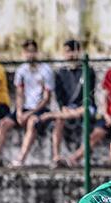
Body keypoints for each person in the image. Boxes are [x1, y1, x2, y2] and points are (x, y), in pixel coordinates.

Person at [0, 39, 54, 169]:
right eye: (27, 52)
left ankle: (20, 159)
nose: (30, 55)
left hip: (40, 109)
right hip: (24, 108)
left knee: (32, 123)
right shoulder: (21, 70)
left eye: (32, 52)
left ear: (37, 52)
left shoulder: (46, 70)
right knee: (4, 123)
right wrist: (19, 112)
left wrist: (30, 113)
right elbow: (19, 94)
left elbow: (46, 98)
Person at [41, 38, 96, 168]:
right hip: (68, 109)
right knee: (60, 120)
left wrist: (76, 109)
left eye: (73, 51)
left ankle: (51, 115)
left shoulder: (87, 71)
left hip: (85, 107)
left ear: (78, 52)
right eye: (67, 52)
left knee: (83, 111)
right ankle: (56, 157)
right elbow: (59, 97)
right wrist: (64, 108)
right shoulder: (60, 73)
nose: (70, 55)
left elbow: (89, 96)